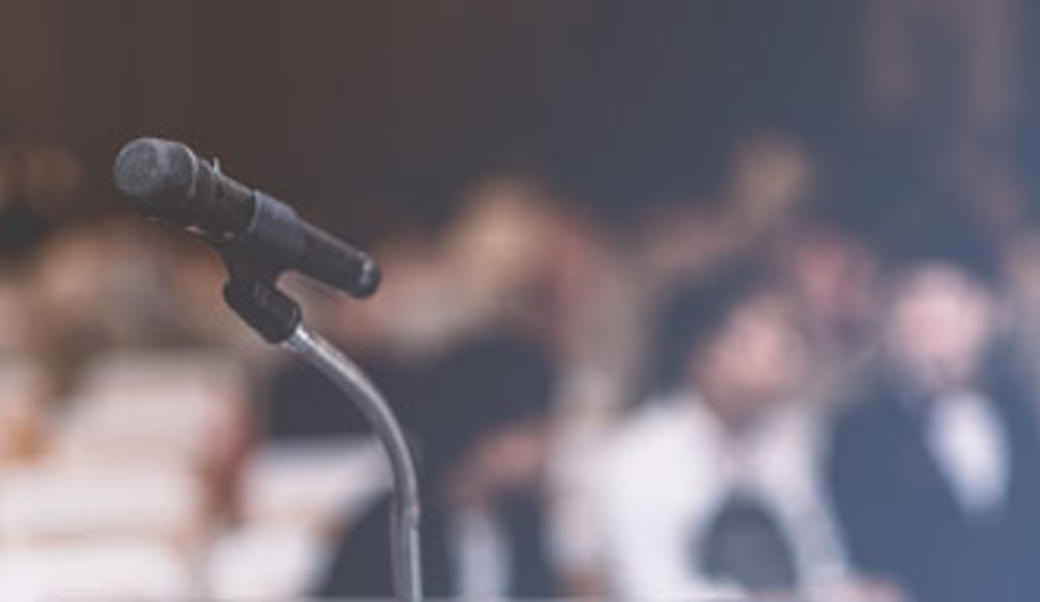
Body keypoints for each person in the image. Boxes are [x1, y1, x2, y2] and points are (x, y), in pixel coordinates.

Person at [577, 258, 847, 599]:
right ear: (705, 353)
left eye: (789, 329)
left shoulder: (794, 440)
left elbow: (818, 559)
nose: (785, 344)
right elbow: (651, 591)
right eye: (763, 328)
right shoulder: (639, 457)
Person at [827, 209, 1040, 602]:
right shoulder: (858, 433)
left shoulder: (1026, 416)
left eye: (952, 293)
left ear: (996, 309)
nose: (930, 312)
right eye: (914, 293)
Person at [315, 329, 562, 599]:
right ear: (487, 436)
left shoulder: (522, 522)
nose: (546, 447)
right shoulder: (391, 532)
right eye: (533, 430)